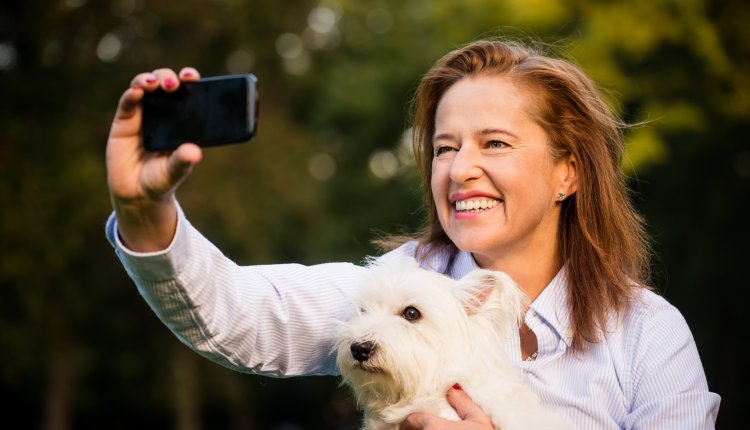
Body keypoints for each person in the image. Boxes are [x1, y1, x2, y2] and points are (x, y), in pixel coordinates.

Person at [105, 39, 720, 429]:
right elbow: (234, 313)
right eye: (444, 147)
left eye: (495, 144)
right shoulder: (389, 292)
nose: (459, 168)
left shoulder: (647, 334)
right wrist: (143, 212)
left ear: (569, 172)